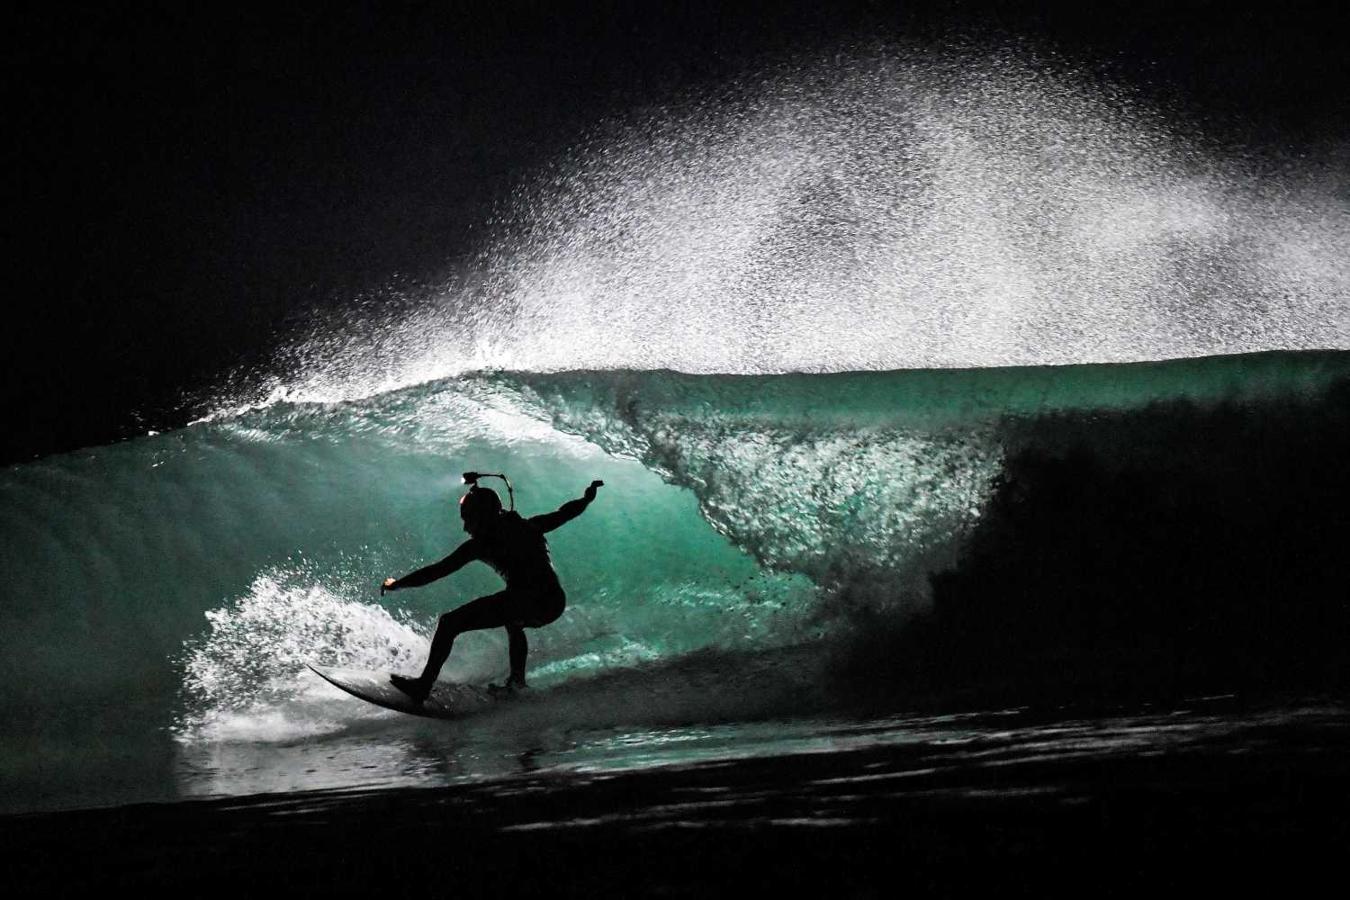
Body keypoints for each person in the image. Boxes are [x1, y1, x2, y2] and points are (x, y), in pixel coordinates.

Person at [381, 478, 604, 702]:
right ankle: (517, 683)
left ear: (482, 515)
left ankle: (423, 686)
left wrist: (397, 584)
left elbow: (436, 571)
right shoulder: (529, 526)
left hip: (529, 599)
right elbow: (566, 512)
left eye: (467, 518)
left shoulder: (481, 544)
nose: (465, 526)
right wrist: (586, 499)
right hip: (553, 602)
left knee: (450, 623)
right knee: (513, 620)